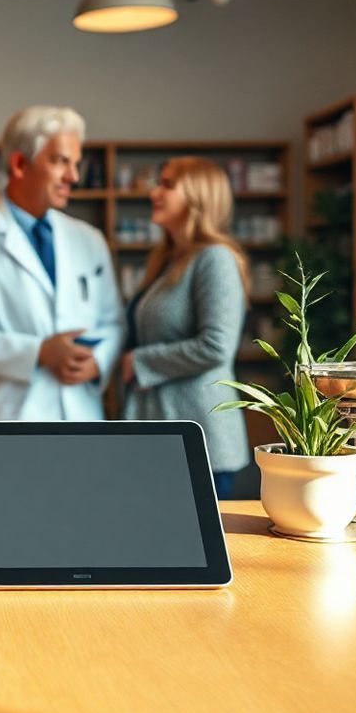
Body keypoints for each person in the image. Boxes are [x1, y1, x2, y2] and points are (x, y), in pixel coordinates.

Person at [0, 106, 123, 421]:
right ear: (20, 164)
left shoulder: (89, 240)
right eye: (61, 162)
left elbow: (113, 321)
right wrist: (38, 352)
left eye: (76, 164)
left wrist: (98, 361)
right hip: (11, 418)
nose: (73, 177)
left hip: (80, 414)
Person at [121, 156, 250, 498]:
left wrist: (139, 362)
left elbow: (216, 345)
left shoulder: (215, 259)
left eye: (167, 184)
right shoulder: (167, 261)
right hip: (161, 435)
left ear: (198, 195)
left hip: (202, 441)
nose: (154, 193)